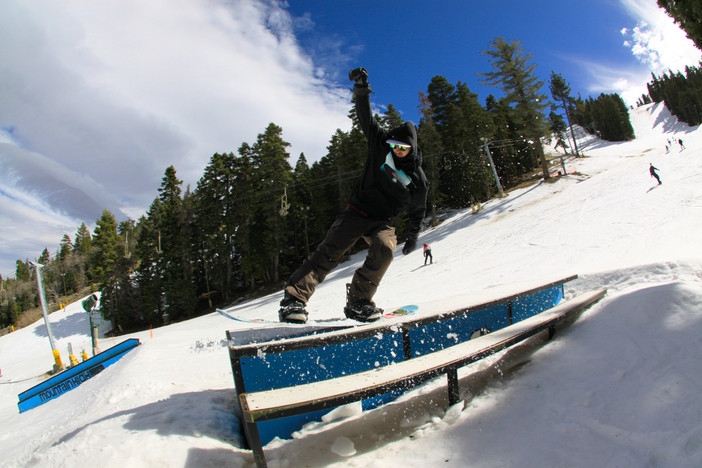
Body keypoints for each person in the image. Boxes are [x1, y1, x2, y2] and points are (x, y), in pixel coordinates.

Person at [278, 67, 428, 323]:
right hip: (357, 212)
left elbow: (417, 210)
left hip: (383, 221)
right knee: (329, 253)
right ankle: (294, 300)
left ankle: (359, 302)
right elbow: (365, 117)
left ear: (412, 147)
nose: (397, 150)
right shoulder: (381, 145)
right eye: (394, 146)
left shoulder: (417, 180)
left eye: (403, 147)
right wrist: (361, 89)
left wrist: (413, 237)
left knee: (384, 250)